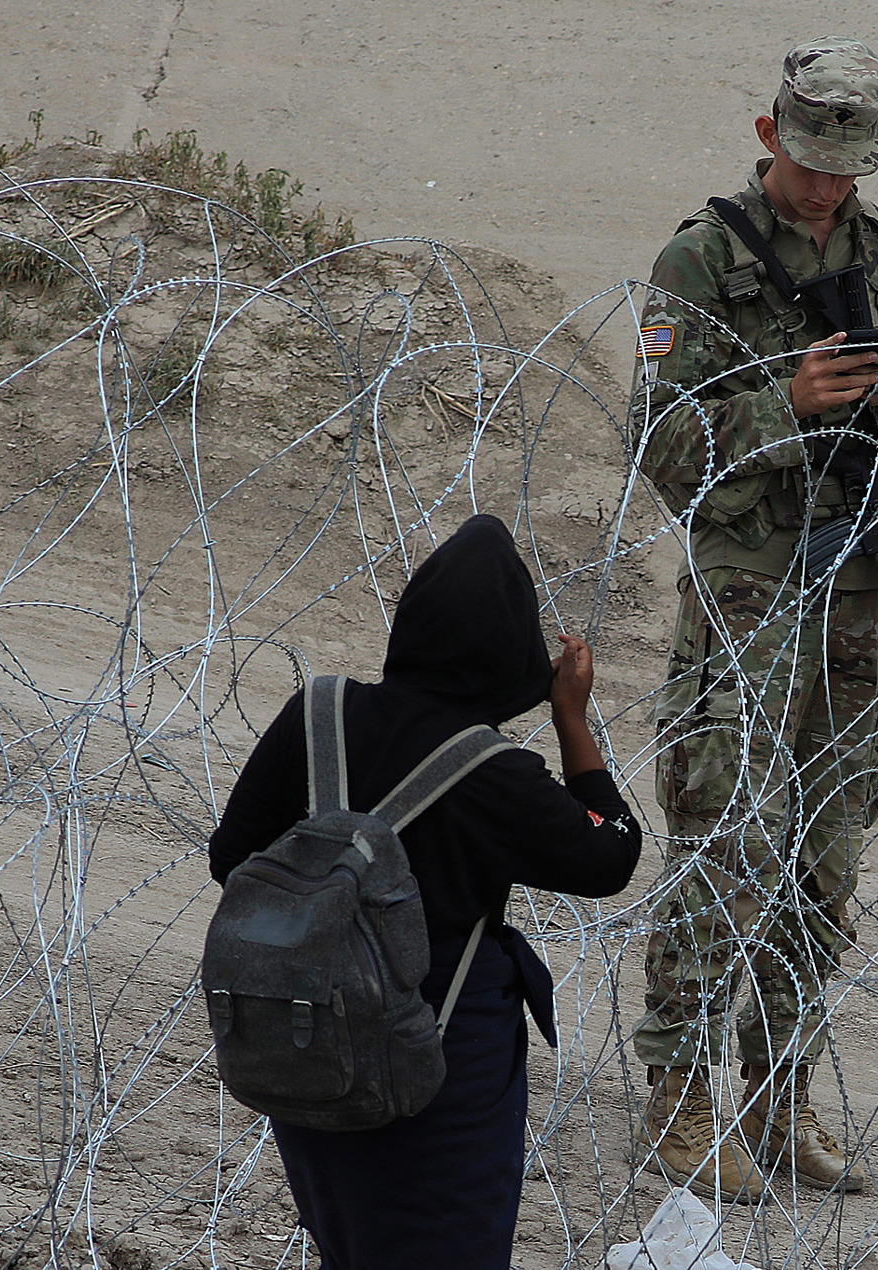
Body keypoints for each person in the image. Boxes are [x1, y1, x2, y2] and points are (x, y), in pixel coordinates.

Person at [631, 36, 878, 1202]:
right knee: (727, 834)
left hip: (859, 579)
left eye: (849, 167)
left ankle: (779, 1093)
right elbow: (656, 440)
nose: (827, 187)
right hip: (751, 579)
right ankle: (681, 1098)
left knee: (826, 851)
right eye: (811, 161)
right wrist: (788, 402)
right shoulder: (702, 257)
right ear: (770, 135)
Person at [207, 514, 642, 1269]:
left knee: (352, 1242)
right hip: (438, 1051)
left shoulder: (319, 714)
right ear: (510, 651)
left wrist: (332, 905)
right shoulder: (497, 775)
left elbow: (231, 857)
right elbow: (612, 851)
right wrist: (570, 718)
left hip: (309, 1031)